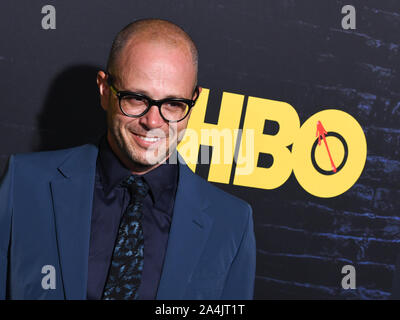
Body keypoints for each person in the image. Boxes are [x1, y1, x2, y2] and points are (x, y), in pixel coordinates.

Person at [0, 18, 256, 300]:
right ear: (104, 90)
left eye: (173, 104)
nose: (153, 121)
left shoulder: (231, 223)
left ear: (194, 101)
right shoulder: (24, 184)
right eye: (136, 98)